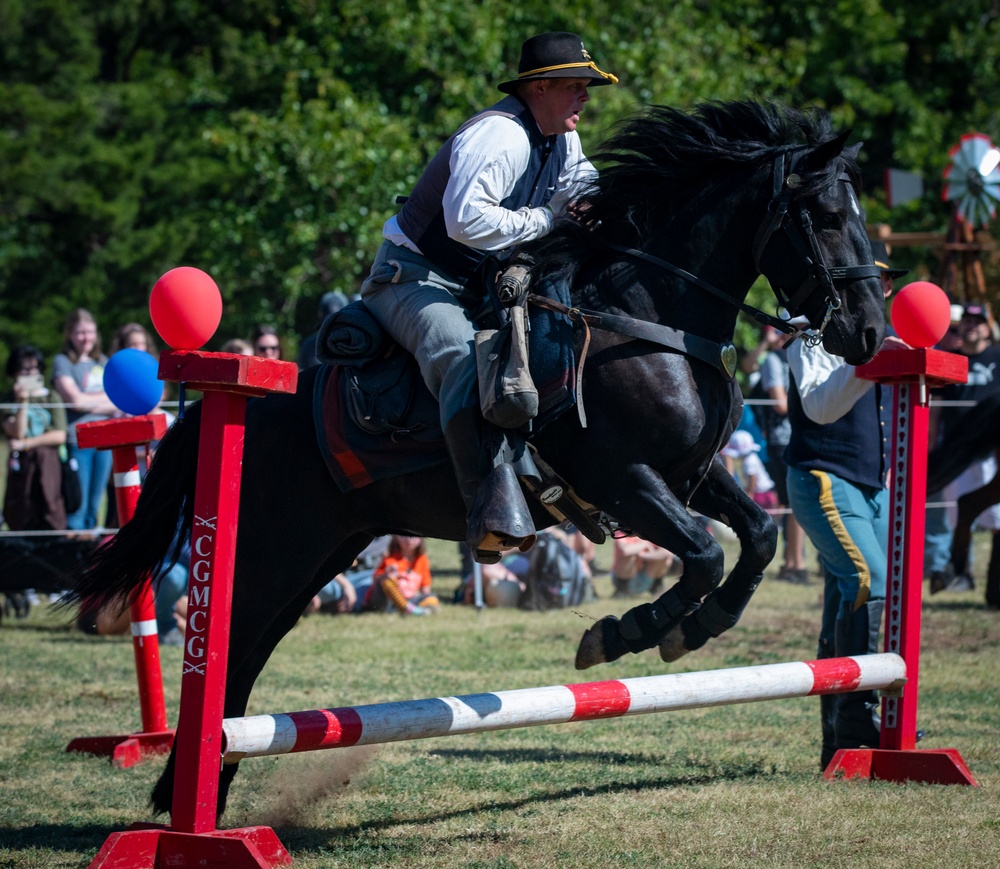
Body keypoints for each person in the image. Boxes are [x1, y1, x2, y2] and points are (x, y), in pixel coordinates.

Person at [359, 32, 617, 564]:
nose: (586, 97)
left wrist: (599, 202)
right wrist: (550, 219)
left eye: (587, 86)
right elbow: (467, 220)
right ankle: (488, 506)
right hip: (413, 279)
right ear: (540, 89)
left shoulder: (561, 137)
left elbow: (581, 183)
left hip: (475, 282)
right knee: (459, 358)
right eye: (576, 86)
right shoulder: (500, 136)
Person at [785, 239, 904, 769]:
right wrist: (867, 363)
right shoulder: (810, 328)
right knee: (869, 584)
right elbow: (819, 405)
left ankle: (841, 742)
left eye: (881, 282)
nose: (875, 290)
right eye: (865, 280)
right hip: (824, 477)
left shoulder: (888, 335)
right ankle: (862, 719)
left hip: (869, 486)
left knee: (844, 608)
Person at [928, 301, 1000, 593]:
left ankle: (989, 584)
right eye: (966, 322)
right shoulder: (949, 359)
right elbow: (935, 409)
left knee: (995, 518)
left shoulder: (998, 356)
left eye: (978, 321)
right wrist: (931, 447)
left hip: (989, 450)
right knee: (958, 517)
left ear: (988, 327)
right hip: (956, 449)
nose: (972, 326)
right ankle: (962, 573)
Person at [52, 309, 116, 529]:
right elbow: (74, 400)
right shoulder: (62, 362)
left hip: (106, 440)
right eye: (80, 332)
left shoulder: (104, 362)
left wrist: (88, 400)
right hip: (77, 440)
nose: (86, 338)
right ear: (70, 334)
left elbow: (118, 400)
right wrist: (104, 400)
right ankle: (73, 555)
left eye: (90, 332)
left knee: (95, 505)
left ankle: (88, 554)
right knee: (77, 504)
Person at [754, 325, 808, 583]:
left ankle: (794, 562)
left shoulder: (801, 357)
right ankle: (794, 564)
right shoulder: (774, 361)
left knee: (794, 504)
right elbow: (779, 404)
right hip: (783, 440)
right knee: (794, 504)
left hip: (797, 436)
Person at [2, 345, 68, 531]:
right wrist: (22, 402)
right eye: (25, 369)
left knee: (50, 504)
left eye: (34, 368)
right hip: (22, 463)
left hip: (48, 460)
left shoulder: (51, 396)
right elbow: (17, 432)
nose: (30, 373)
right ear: (15, 372)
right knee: (22, 506)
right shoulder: (8, 399)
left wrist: (26, 444)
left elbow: (59, 435)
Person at [366, 534, 439, 615]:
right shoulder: (390, 558)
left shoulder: (422, 560)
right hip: (386, 601)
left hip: (408, 599)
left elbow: (425, 588)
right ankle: (407, 609)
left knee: (432, 597)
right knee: (386, 580)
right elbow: (376, 581)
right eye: (403, 536)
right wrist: (387, 575)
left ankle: (413, 609)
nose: (409, 540)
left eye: (414, 537)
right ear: (396, 538)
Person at [721, 429, 778, 514]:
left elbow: (753, 477)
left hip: (760, 493)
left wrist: (750, 493)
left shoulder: (749, 460)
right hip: (761, 492)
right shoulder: (750, 458)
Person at [610, 534, 675, 598]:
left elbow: (667, 552)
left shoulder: (650, 532)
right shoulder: (623, 532)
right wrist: (645, 544)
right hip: (625, 578)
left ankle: (656, 588)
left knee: (665, 558)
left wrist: (644, 556)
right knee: (629, 556)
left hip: (647, 576)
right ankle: (621, 590)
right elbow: (625, 551)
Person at [298, 291, 350, 369]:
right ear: (320, 314)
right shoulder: (309, 346)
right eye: (328, 321)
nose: (331, 326)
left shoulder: (355, 344)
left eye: (336, 322)